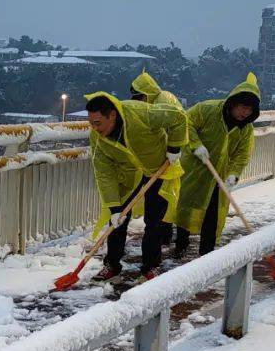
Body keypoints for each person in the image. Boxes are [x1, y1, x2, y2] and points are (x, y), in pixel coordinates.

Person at [85, 74, 188, 283]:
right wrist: (113, 207)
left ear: (112, 115)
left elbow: (177, 117)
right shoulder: (97, 137)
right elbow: (104, 173)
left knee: (154, 221)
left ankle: (150, 267)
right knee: (117, 221)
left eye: (98, 123)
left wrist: (174, 147)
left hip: (158, 168)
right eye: (91, 123)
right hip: (129, 174)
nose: (95, 128)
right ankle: (111, 265)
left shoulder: (140, 112)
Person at [173, 72, 260, 257]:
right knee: (187, 207)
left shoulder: (246, 129)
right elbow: (186, 123)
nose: (245, 113)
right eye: (243, 107)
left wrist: (233, 174)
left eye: (250, 110)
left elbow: (242, 154)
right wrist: (196, 145)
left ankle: (207, 254)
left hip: (219, 175)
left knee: (213, 214)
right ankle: (181, 243)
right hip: (195, 170)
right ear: (233, 102)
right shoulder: (208, 109)